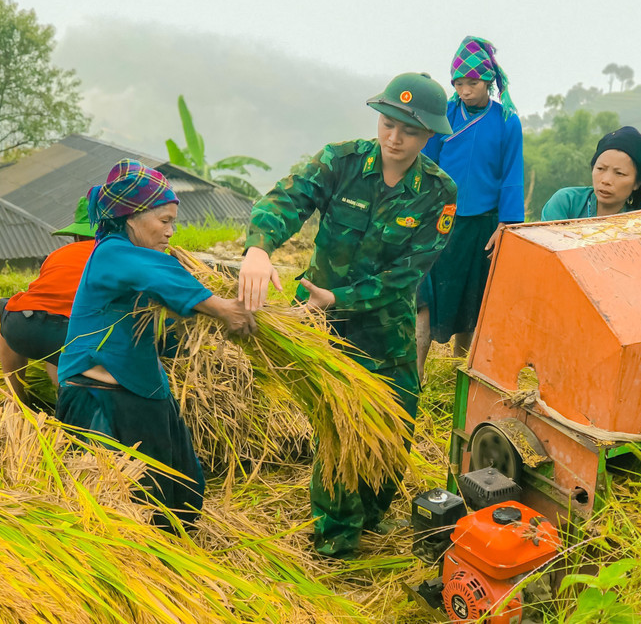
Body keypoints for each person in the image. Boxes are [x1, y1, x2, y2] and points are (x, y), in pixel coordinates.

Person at [238, 72, 457, 558]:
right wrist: (259, 249)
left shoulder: (438, 192)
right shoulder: (341, 161)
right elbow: (285, 200)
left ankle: (372, 516)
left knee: (394, 429)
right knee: (340, 429)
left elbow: (408, 272)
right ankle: (335, 541)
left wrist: (341, 298)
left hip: (387, 330)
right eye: (388, 123)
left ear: (428, 137)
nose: (394, 138)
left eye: (410, 131)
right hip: (324, 327)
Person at [56, 159, 256, 527]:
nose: (170, 232)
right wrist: (223, 309)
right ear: (131, 218)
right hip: (100, 400)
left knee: (182, 493)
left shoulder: (136, 256)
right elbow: (157, 273)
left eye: (173, 223)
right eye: (164, 222)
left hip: (143, 390)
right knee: (125, 505)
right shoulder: (113, 251)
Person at [416, 36, 524, 376]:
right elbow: (426, 164)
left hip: (482, 224)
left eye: (472, 83)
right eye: (459, 83)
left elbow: (511, 174)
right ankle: (413, 377)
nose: (465, 91)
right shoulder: (445, 115)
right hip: (441, 221)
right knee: (429, 300)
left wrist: (506, 225)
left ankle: (457, 375)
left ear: (489, 81)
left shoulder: (506, 120)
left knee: (472, 303)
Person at [0, 196, 95, 410]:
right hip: (67, 331)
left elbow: (45, 293)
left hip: (20, 325)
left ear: (77, 234)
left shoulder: (58, 253)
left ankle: (16, 400)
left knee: (10, 312)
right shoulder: (117, 255)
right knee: (59, 340)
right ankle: (64, 406)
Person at [541, 126, 641, 221]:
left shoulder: (638, 224)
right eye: (600, 168)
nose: (606, 180)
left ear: (637, 183)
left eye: (619, 173)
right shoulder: (566, 202)